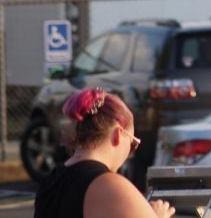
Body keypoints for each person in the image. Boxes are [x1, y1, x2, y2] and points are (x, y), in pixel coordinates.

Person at [33, 88, 175, 218]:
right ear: (117, 135)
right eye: (132, 144)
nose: (129, 153)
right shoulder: (109, 185)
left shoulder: (51, 181)